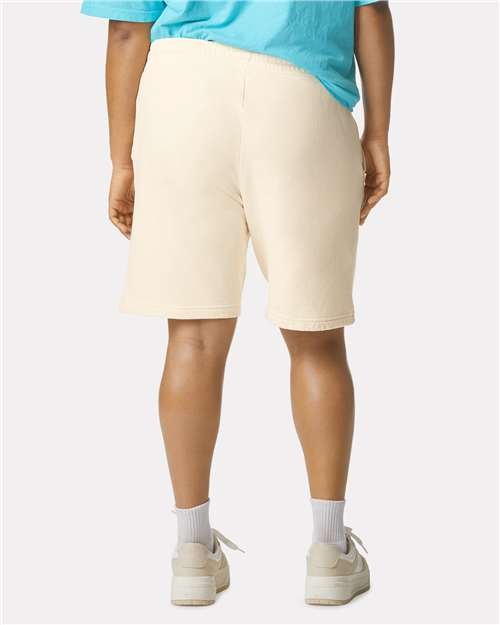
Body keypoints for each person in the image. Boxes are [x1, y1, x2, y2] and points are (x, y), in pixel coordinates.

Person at [81, 0, 394, 606]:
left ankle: (192, 551)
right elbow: (371, 10)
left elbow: (125, 31)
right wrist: (377, 132)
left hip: (182, 91)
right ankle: (329, 550)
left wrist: (122, 159)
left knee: (193, 336)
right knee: (316, 336)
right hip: (301, 93)